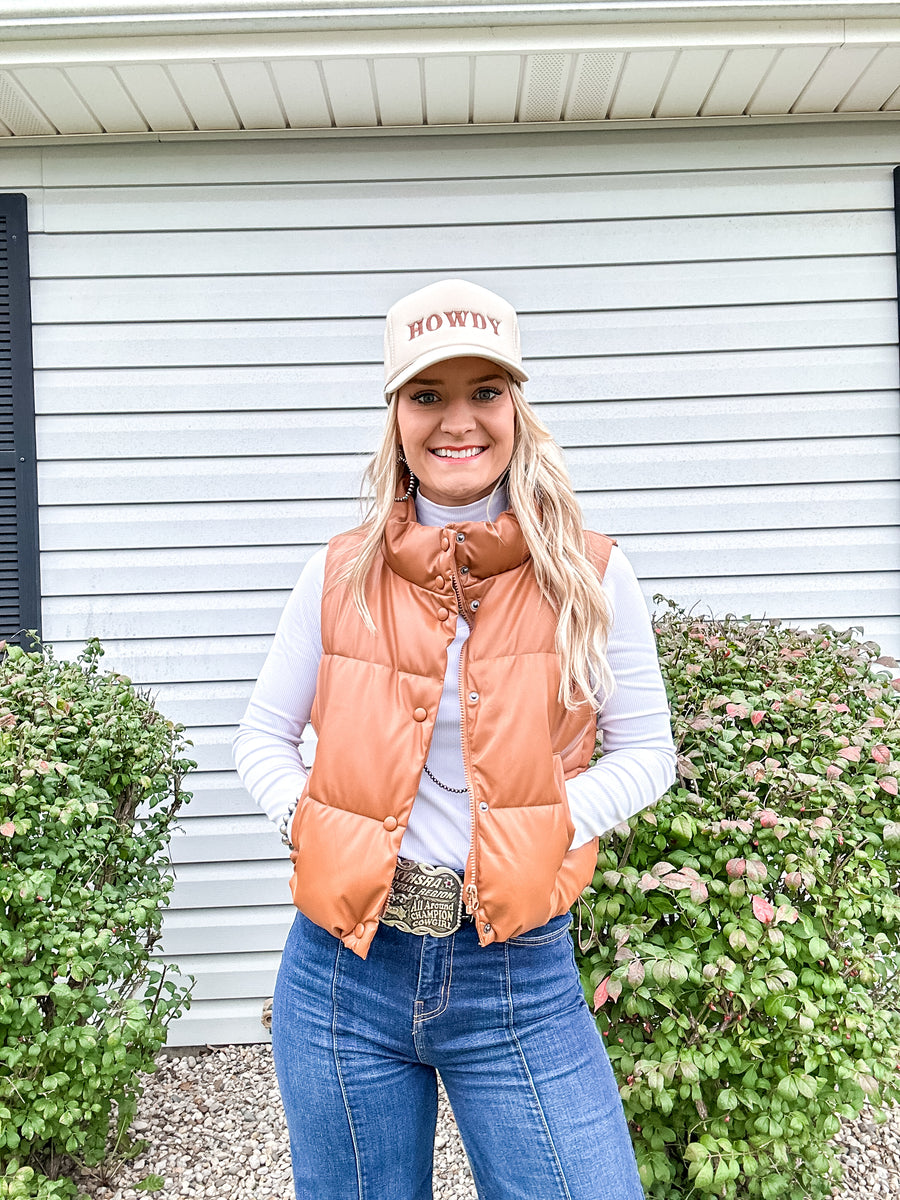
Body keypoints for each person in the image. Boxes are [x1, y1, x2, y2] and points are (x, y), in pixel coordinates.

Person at [233, 278, 676, 1200]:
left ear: (518, 407)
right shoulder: (337, 572)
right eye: (428, 395)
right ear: (396, 415)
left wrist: (548, 822)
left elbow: (648, 750)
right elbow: (263, 737)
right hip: (340, 975)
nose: (457, 420)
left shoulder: (592, 571)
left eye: (485, 391)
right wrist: (304, 821)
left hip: (516, 976)